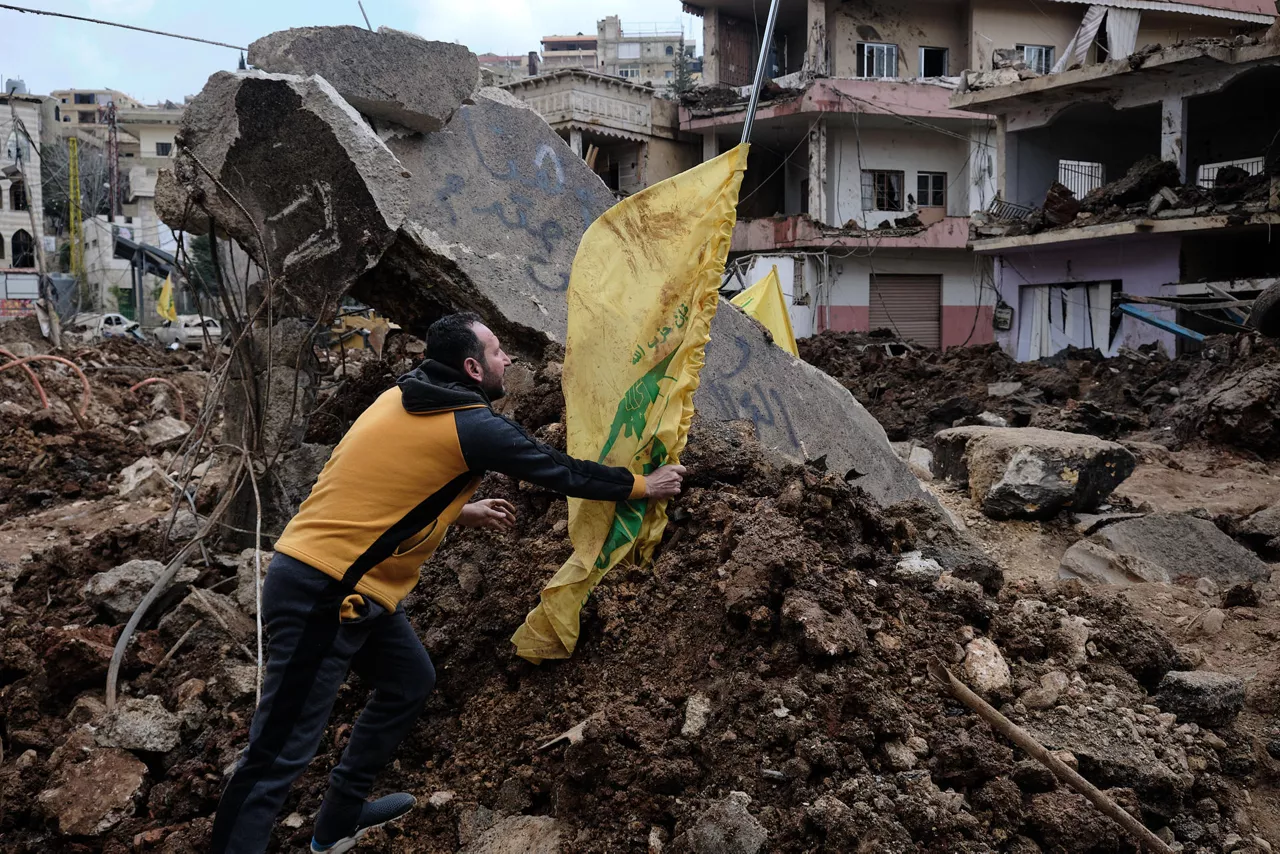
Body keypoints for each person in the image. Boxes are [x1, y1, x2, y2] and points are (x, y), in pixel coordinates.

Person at [209, 312, 686, 854]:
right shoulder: (473, 425)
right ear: (471, 368)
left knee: (408, 681)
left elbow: (380, 478)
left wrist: (458, 509)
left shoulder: (403, 396)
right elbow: (560, 469)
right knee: (278, 750)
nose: (507, 358)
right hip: (327, 590)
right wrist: (643, 484)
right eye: (497, 351)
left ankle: (339, 820)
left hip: (350, 585)